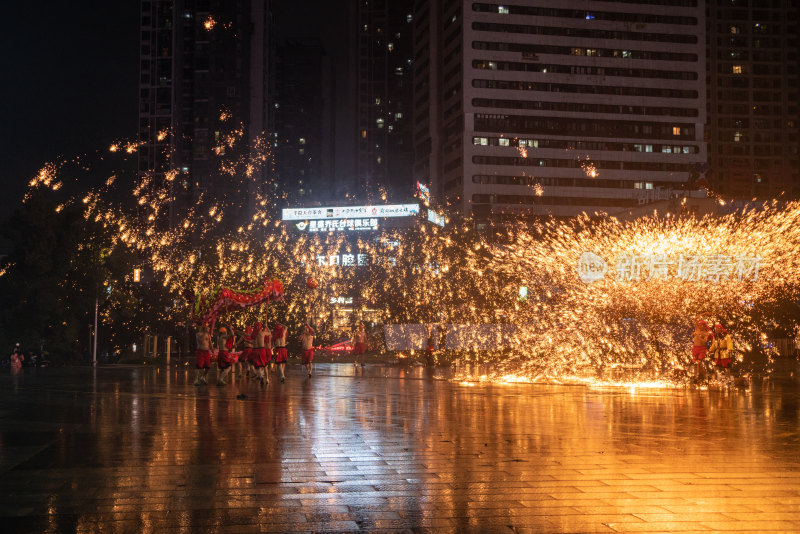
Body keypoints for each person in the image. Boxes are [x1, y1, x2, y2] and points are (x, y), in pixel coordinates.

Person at [252, 322, 269, 386]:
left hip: (256, 350)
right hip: (262, 350)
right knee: (264, 365)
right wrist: (266, 327)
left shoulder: (253, 334)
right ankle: (267, 379)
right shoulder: (262, 333)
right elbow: (270, 334)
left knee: (258, 365)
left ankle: (261, 376)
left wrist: (240, 333)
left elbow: (248, 335)